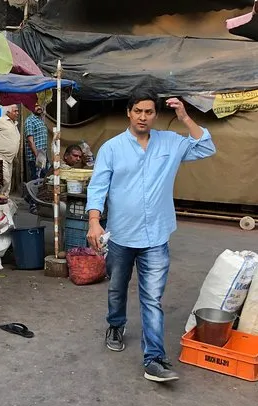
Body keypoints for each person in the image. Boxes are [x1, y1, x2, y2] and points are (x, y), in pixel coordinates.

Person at [85, 91, 216, 382]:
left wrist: (184, 117)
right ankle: (115, 324)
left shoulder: (171, 142)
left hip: (156, 236)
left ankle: (154, 358)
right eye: (138, 111)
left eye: (149, 112)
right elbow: (98, 186)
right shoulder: (112, 148)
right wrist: (94, 221)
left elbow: (206, 147)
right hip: (120, 235)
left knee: (152, 298)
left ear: (156, 115)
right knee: (117, 287)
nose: (143, 117)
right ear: (128, 112)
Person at [25, 103, 48, 181]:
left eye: (39, 106)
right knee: (36, 181)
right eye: (36, 106)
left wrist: (42, 157)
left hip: (43, 156)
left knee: (43, 179)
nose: (39, 107)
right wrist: (38, 156)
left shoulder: (40, 120)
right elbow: (30, 140)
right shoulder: (30, 120)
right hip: (35, 158)